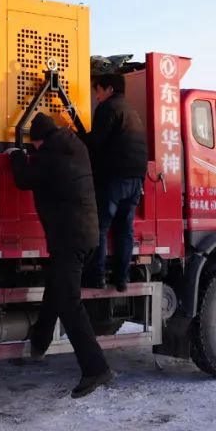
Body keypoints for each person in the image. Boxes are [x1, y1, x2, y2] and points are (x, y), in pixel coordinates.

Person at [8, 112, 113, 398]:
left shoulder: (50, 155)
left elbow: (23, 179)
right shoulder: (74, 146)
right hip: (84, 236)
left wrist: (16, 154)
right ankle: (38, 347)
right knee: (54, 292)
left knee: (69, 303)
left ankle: (96, 368)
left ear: (38, 141)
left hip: (69, 239)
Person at [82, 59, 148, 291]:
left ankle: (96, 276)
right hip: (136, 180)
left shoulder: (108, 108)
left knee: (100, 227)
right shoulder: (131, 111)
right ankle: (122, 278)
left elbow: (96, 143)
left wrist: (76, 136)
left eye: (97, 90)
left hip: (115, 178)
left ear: (109, 89)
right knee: (124, 229)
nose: (96, 95)